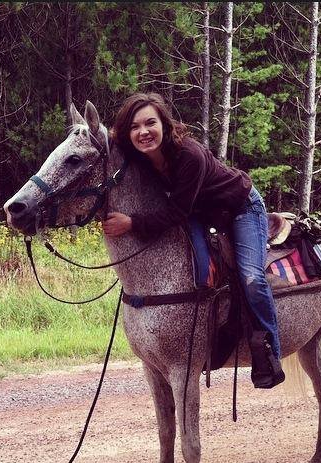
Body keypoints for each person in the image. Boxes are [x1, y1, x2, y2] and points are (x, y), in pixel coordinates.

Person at [103, 92, 284, 389]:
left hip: (240, 207)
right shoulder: (140, 156)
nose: (143, 132)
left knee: (252, 277)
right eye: (135, 127)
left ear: (165, 124)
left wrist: (132, 223)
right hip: (202, 212)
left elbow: (177, 211)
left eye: (151, 123)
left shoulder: (189, 155)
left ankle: (268, 351)